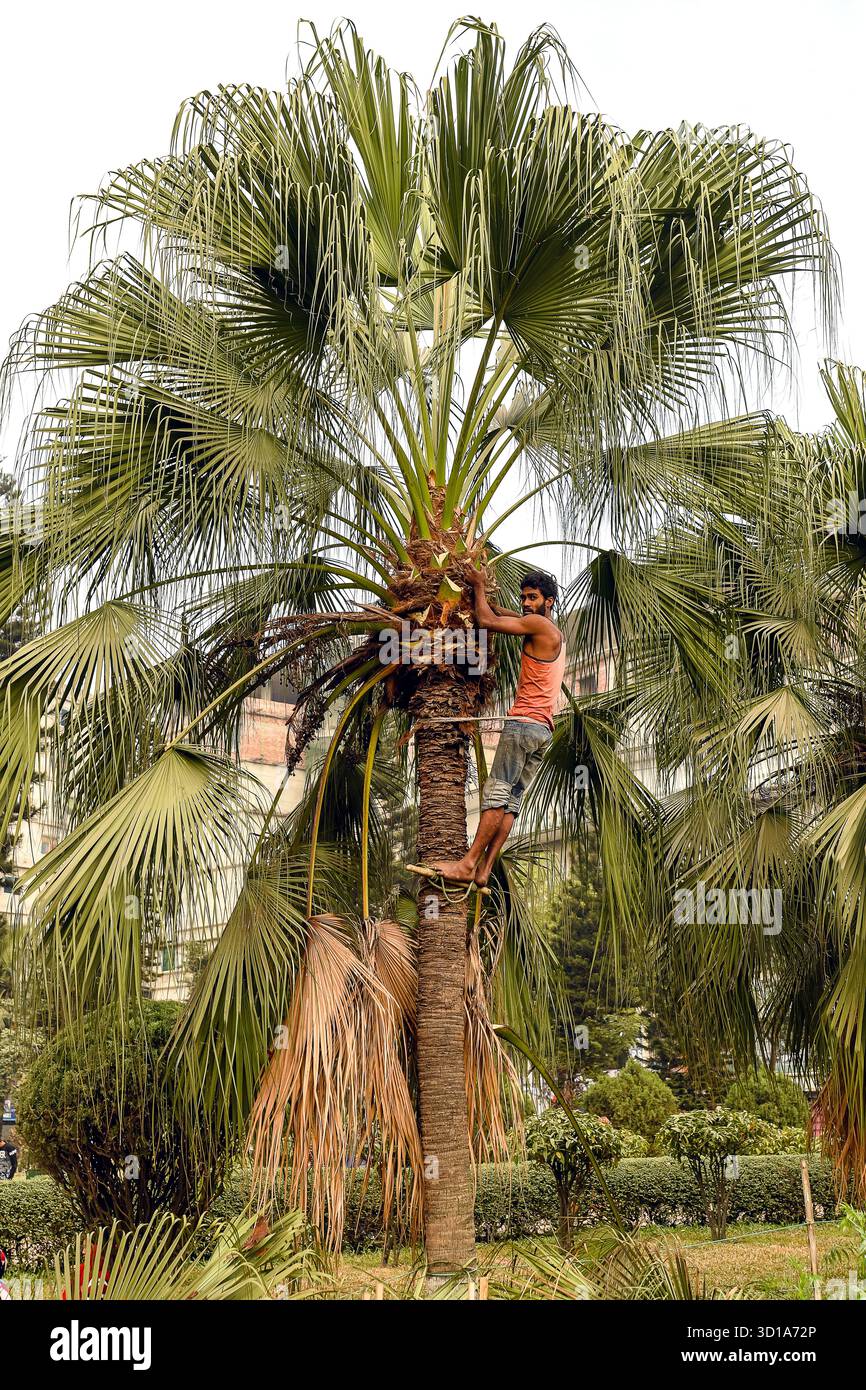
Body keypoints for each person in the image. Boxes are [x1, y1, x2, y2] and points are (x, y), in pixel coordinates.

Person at [431, 566, 565, 887]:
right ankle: (485, 870)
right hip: (543, 731)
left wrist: (477, 586)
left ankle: (467, 864)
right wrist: (489, 601)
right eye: (523, 598)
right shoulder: (552, 632)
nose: (526, 603)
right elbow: (506, 615)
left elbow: (487, 621)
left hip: (522, 724)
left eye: (533, 598)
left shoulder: (536, 624)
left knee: (496, 792)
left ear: (549, 601)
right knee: (511, 801)